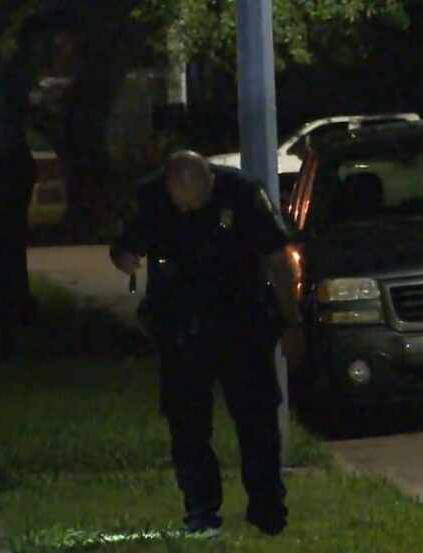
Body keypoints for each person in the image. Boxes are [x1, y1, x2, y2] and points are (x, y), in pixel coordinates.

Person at [110, 150, 303, 536]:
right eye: (180, 204)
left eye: (194, 203)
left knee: (257, 419)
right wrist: (126, 258)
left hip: (242, 321)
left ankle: (267, 509)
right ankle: (200, 509)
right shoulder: (150, 197)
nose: (187, 211)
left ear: (210, 183)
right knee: (187, 423)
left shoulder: (243, 193)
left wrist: (291, 319)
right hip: (181, 326)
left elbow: (278, 257)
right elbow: (125, 245)